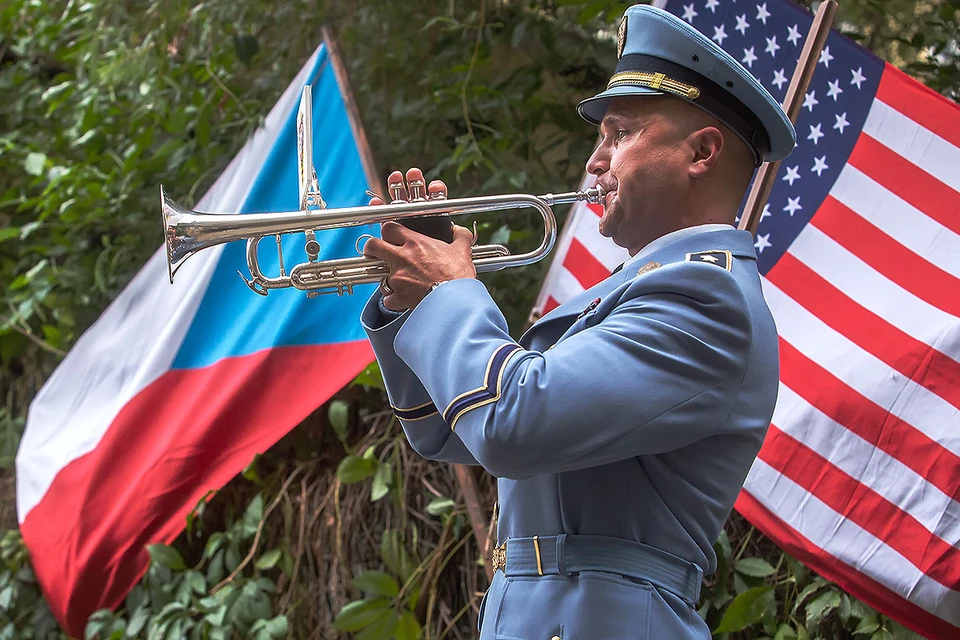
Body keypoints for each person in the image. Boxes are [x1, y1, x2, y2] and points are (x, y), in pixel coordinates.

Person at [360, 5, 796, 639]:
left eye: (618, 134)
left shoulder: (708, 299)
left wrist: (451, 291)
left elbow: (514, 422)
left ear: (701, 151)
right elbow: (454, 432)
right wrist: (414, 302)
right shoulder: (632, 293)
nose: (595, 162)